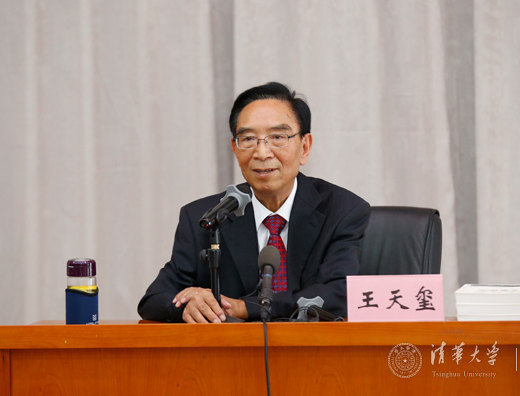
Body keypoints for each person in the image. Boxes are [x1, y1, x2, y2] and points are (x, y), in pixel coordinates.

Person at [138, 82, 370, 323]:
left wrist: (245, 308)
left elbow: (338, 294)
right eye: (248, 139)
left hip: (313, 345)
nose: (262, 153)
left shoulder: (342, 210)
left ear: (304, 147)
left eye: (277, 137)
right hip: (234, 347)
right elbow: (154, 299)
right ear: (235, 148)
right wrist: (191, 304)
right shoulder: (206, 217)